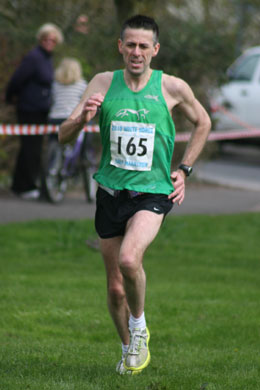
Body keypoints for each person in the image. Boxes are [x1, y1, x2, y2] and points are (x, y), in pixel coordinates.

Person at [59, 15, 211, 375]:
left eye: (144, 46)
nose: (137, 51)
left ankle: (139, 329)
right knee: (115, 289)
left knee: (130, 260)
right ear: (120, 46)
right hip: (111, 191)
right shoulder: (102, 82)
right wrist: (82, 120)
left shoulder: (172, 87)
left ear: (155, 50)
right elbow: (63, 134)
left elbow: (203, 122)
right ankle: (129, 351)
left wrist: (184, 169)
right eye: (131, 44)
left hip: (152, 193)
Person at [5, 23, 63, 199]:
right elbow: (17, 79)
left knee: (30, 147)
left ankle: (19, 185)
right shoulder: (34, 57)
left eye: (53, 40)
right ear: (40, 39)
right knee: (32, 148)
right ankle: (27, 186)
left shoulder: (47, 58)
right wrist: (10, 97)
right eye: (46, 39)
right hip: (29, 109)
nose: (49, 42)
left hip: (41, 110)